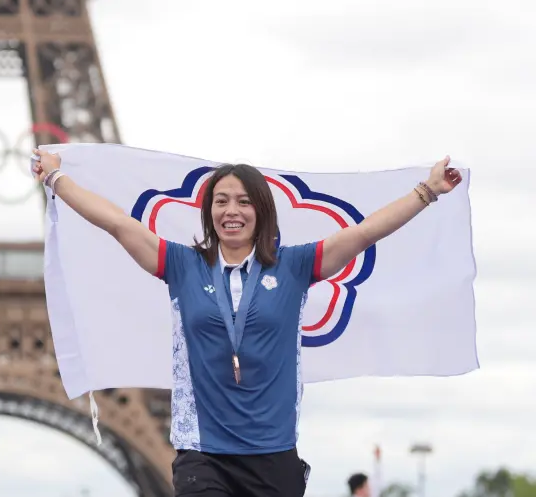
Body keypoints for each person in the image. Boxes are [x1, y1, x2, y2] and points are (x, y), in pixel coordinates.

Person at [32, 149, 462, 497]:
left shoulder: (294, 266)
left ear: (261, 210)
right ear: (208, 212)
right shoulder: (182, 264)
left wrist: (428, 190)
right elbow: (116, 223)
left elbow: (364, 233)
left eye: (243, 201)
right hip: (204, 454)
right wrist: (56, 179)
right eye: (221, 201)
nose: (231, 211)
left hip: (273, 455)